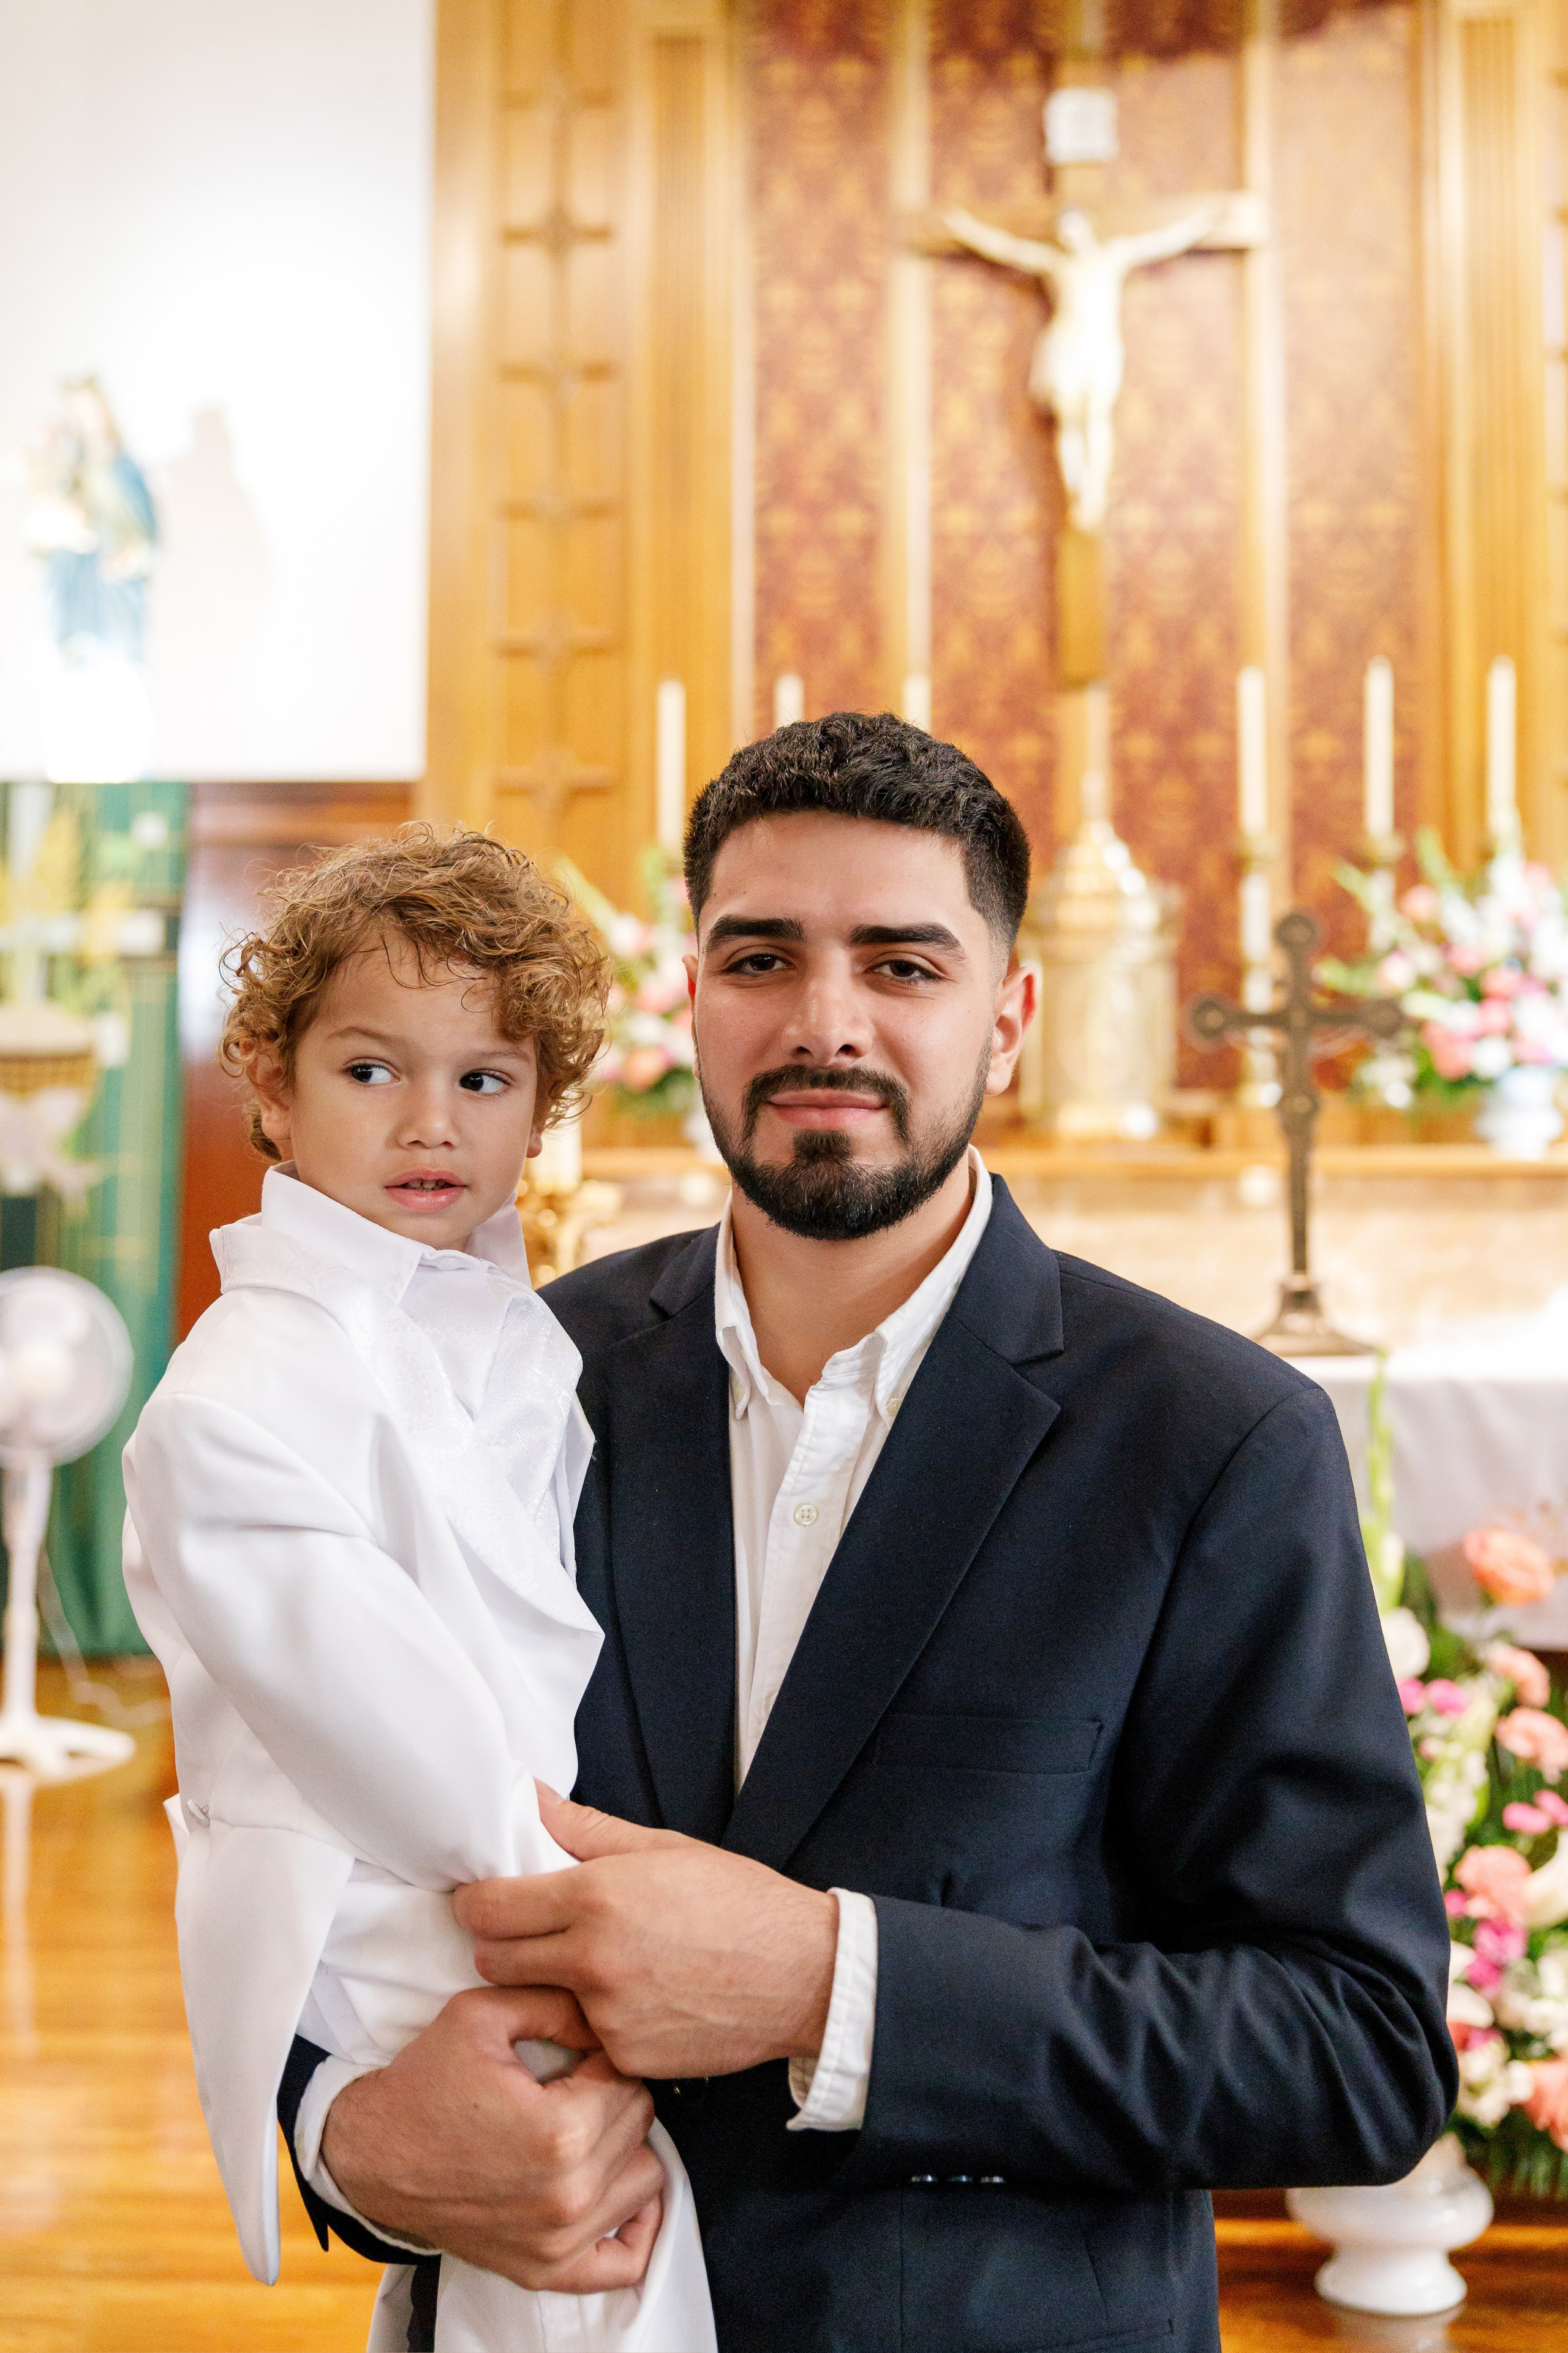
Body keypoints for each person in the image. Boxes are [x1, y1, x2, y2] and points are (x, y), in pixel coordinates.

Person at [284, 713, 1456, 2353]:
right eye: (761, 957)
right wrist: (350, 2137)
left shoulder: (1212, 1438)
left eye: (902, 965)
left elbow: (1356, 2048)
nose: (822, 1021)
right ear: (693, 994)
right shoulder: (497, 1379)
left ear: (1011, 1017)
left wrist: (831, 1985)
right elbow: (312, 1867)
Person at [121, 829, 717, 2353]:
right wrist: (617, 1939)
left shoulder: (505, 1332)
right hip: (433, 1917)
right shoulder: (236, 1402)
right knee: (576, 2273)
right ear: (272, 1083)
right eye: (371, 1069)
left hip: (522, 1902)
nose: (429, 1122)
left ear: (543, 1108)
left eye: (484, 1078)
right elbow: (412, 1753)